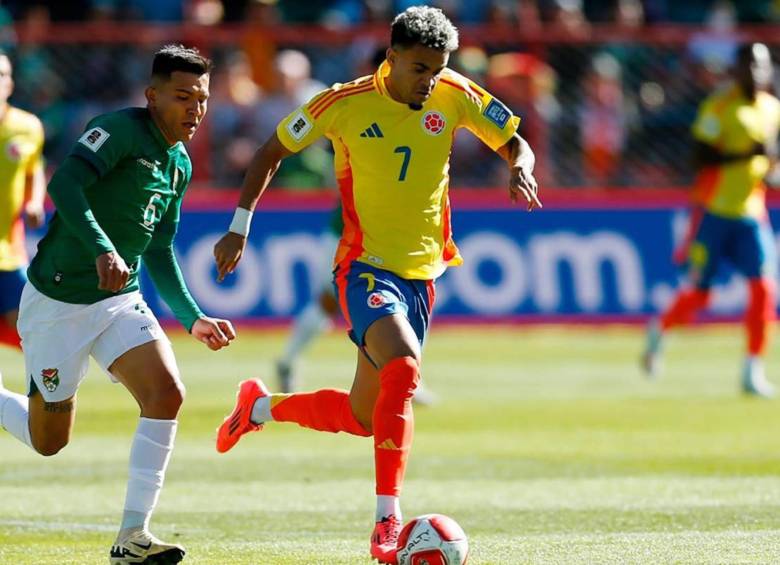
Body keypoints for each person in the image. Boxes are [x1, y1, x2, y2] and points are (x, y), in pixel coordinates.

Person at [213, 7, 540, 563]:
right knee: (404, 367)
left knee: (365, 417)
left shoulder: (455, 93)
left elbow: (514, 138)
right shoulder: (341, 104)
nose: (428, 81)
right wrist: (238, 227)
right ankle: (387, 520)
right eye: (418, 68)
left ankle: (259, 408)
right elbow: (270, 152)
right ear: (390, 56)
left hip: (423, 275)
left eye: (436, 70)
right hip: (364, 267)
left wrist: (520, 166)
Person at [0, 45, 236, 564]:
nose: (194, 109)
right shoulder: (120, 130)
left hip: (118, 301)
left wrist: (192, 317)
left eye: (202, 98)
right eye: (182, 96)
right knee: (48, 442)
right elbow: (66, 183)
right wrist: (103, 247)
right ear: (152, 97)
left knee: (167, 393)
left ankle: (132, 537)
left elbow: (158, 248)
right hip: (58, 300)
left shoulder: (180, 163)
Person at [642, 42, 780, 398]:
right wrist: (747, 154)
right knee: (700, 296)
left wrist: (771, 172)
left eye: (761, 66)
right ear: (736, 70)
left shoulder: (772, 109)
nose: (756, 73)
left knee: (763, 290)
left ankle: (752, 369)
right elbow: (700, 158)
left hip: (752, 213)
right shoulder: (718, 106)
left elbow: (771, 161)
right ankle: (661, 329)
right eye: (749, 66)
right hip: (715, 211)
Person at [274, 201, 437, 406]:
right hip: (348, 232)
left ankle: (410, 377)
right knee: (328, 300)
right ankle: (287, 361)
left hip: (391, 236)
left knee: (412, 299)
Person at [0, 50, 46, 352]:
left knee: (36, 337)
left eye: (2, 75)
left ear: (11, 84)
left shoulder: (28, 126)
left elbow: (35, 168)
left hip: (8, 251)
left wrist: (36, 201)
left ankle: (48, 399)